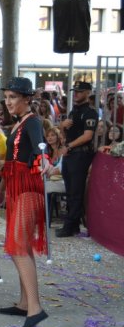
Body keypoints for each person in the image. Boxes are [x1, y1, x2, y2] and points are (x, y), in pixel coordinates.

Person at [0, 77, 49, 327]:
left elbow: (40, 147)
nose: (9, 102)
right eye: (6, 97)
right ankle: (26, 302)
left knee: (17, 247)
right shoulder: (17, 124)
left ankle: (35, 308)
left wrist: (44, 159)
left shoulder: (33, 122)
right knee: (21, 246)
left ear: (27, 99)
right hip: (15, 188)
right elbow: (10, 162)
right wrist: (1, 191)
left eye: (13, 97)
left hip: (28, 188)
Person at [56, 81, 97, 237]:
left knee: (76, 191)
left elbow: (88, 136)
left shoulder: (90, 112)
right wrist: (62, 126)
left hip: (80, 154)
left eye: (80, 91)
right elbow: (66, 135)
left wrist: (70, 146)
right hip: (70, 153)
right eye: (75, 91)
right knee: (70, 190)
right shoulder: (73, 111)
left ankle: (70, 225)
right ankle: (73, 225)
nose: (76, 94)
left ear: (88, 93)